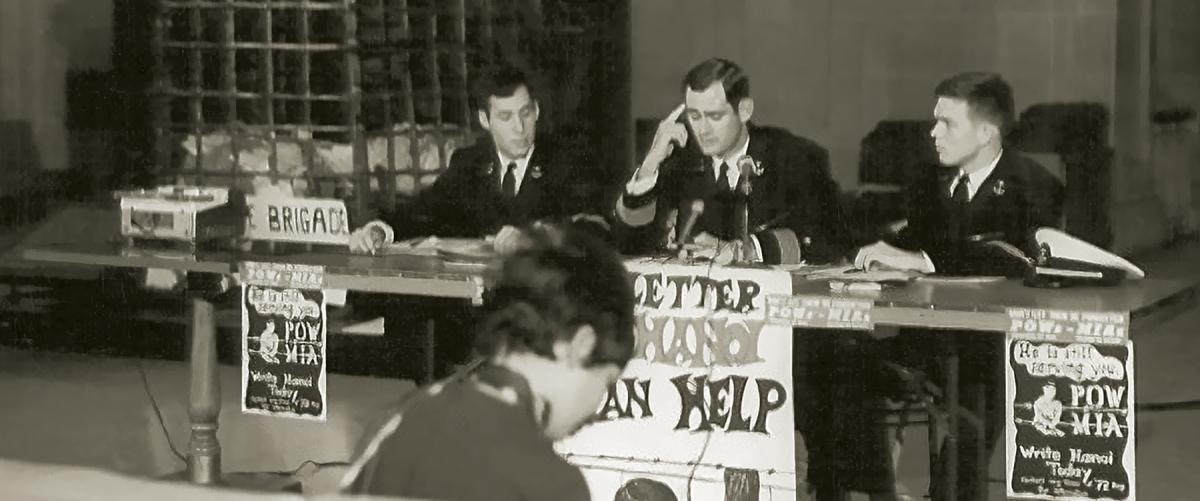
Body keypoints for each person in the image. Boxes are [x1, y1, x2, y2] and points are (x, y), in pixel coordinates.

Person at [843, 72, 1064, 501]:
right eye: (934, 120)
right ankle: (873, 491)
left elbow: (1012, 255)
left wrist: (922, 260)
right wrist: (876, 252)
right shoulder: (931, 180)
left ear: (986, 132)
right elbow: (911, 236)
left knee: (975, 401)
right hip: (926, 337)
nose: (933, 132)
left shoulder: (1034, 187)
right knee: (840, 364)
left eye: (947, 123)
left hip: (990, 348)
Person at [342, 223, 636, 501]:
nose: (593, 410)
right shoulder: (550, 482)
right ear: (580, 345)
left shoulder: (399, 418)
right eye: (606, 381)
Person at [349, 64, 607, 253]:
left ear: (537, 110)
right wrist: (379, 230)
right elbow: (424, 211)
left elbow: (595, 226)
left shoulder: (567, 160)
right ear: (485, 120)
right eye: (506, 117)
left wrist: (536, 238)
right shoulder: (469, 163)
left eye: (525, 113)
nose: (519, 127)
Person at [614, 58, 847, 265]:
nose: (702, 129)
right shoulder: (679, 162)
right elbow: (629, 243)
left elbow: (826, 238)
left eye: (715, 116)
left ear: (744, 110)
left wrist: (747, 250)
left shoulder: (792, 157)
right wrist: (650, 164)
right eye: (694, 116)